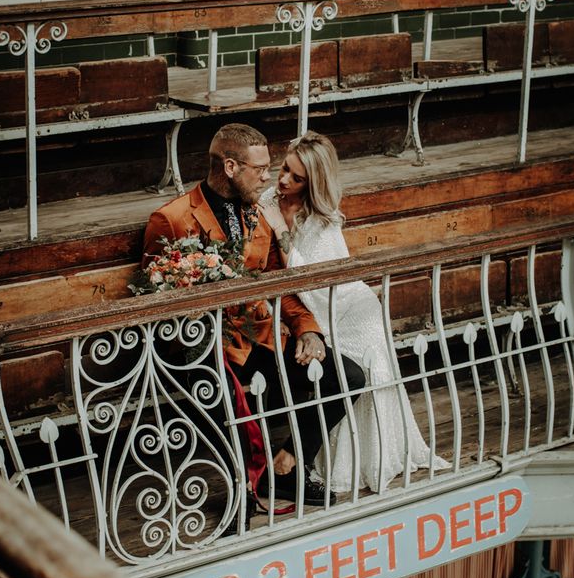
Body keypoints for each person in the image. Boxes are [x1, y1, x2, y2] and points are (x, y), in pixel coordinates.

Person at [142, 123, 365, 506]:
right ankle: (239, 489)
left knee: (346, 377)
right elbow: (155, 303)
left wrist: (308, 330)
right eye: (259, 169)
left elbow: (281, 286)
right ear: (230, 167)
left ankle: (290, 465)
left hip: (259, 336)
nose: (268, 177)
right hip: (206, 349)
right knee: (220, 396)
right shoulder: (173, 219)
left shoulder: (257, 215)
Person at [258, 131, 450, 492]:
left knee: (361, 379)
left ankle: (368, 456)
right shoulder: (271, 197)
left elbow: (308, 277)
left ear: (313, 183)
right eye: (284, 169)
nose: (283, 180)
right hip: (312, 308)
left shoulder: (322, 221)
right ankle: (310, 457)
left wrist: (281, 227)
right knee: (340, 377)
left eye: (296, 178)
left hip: (350, 311)